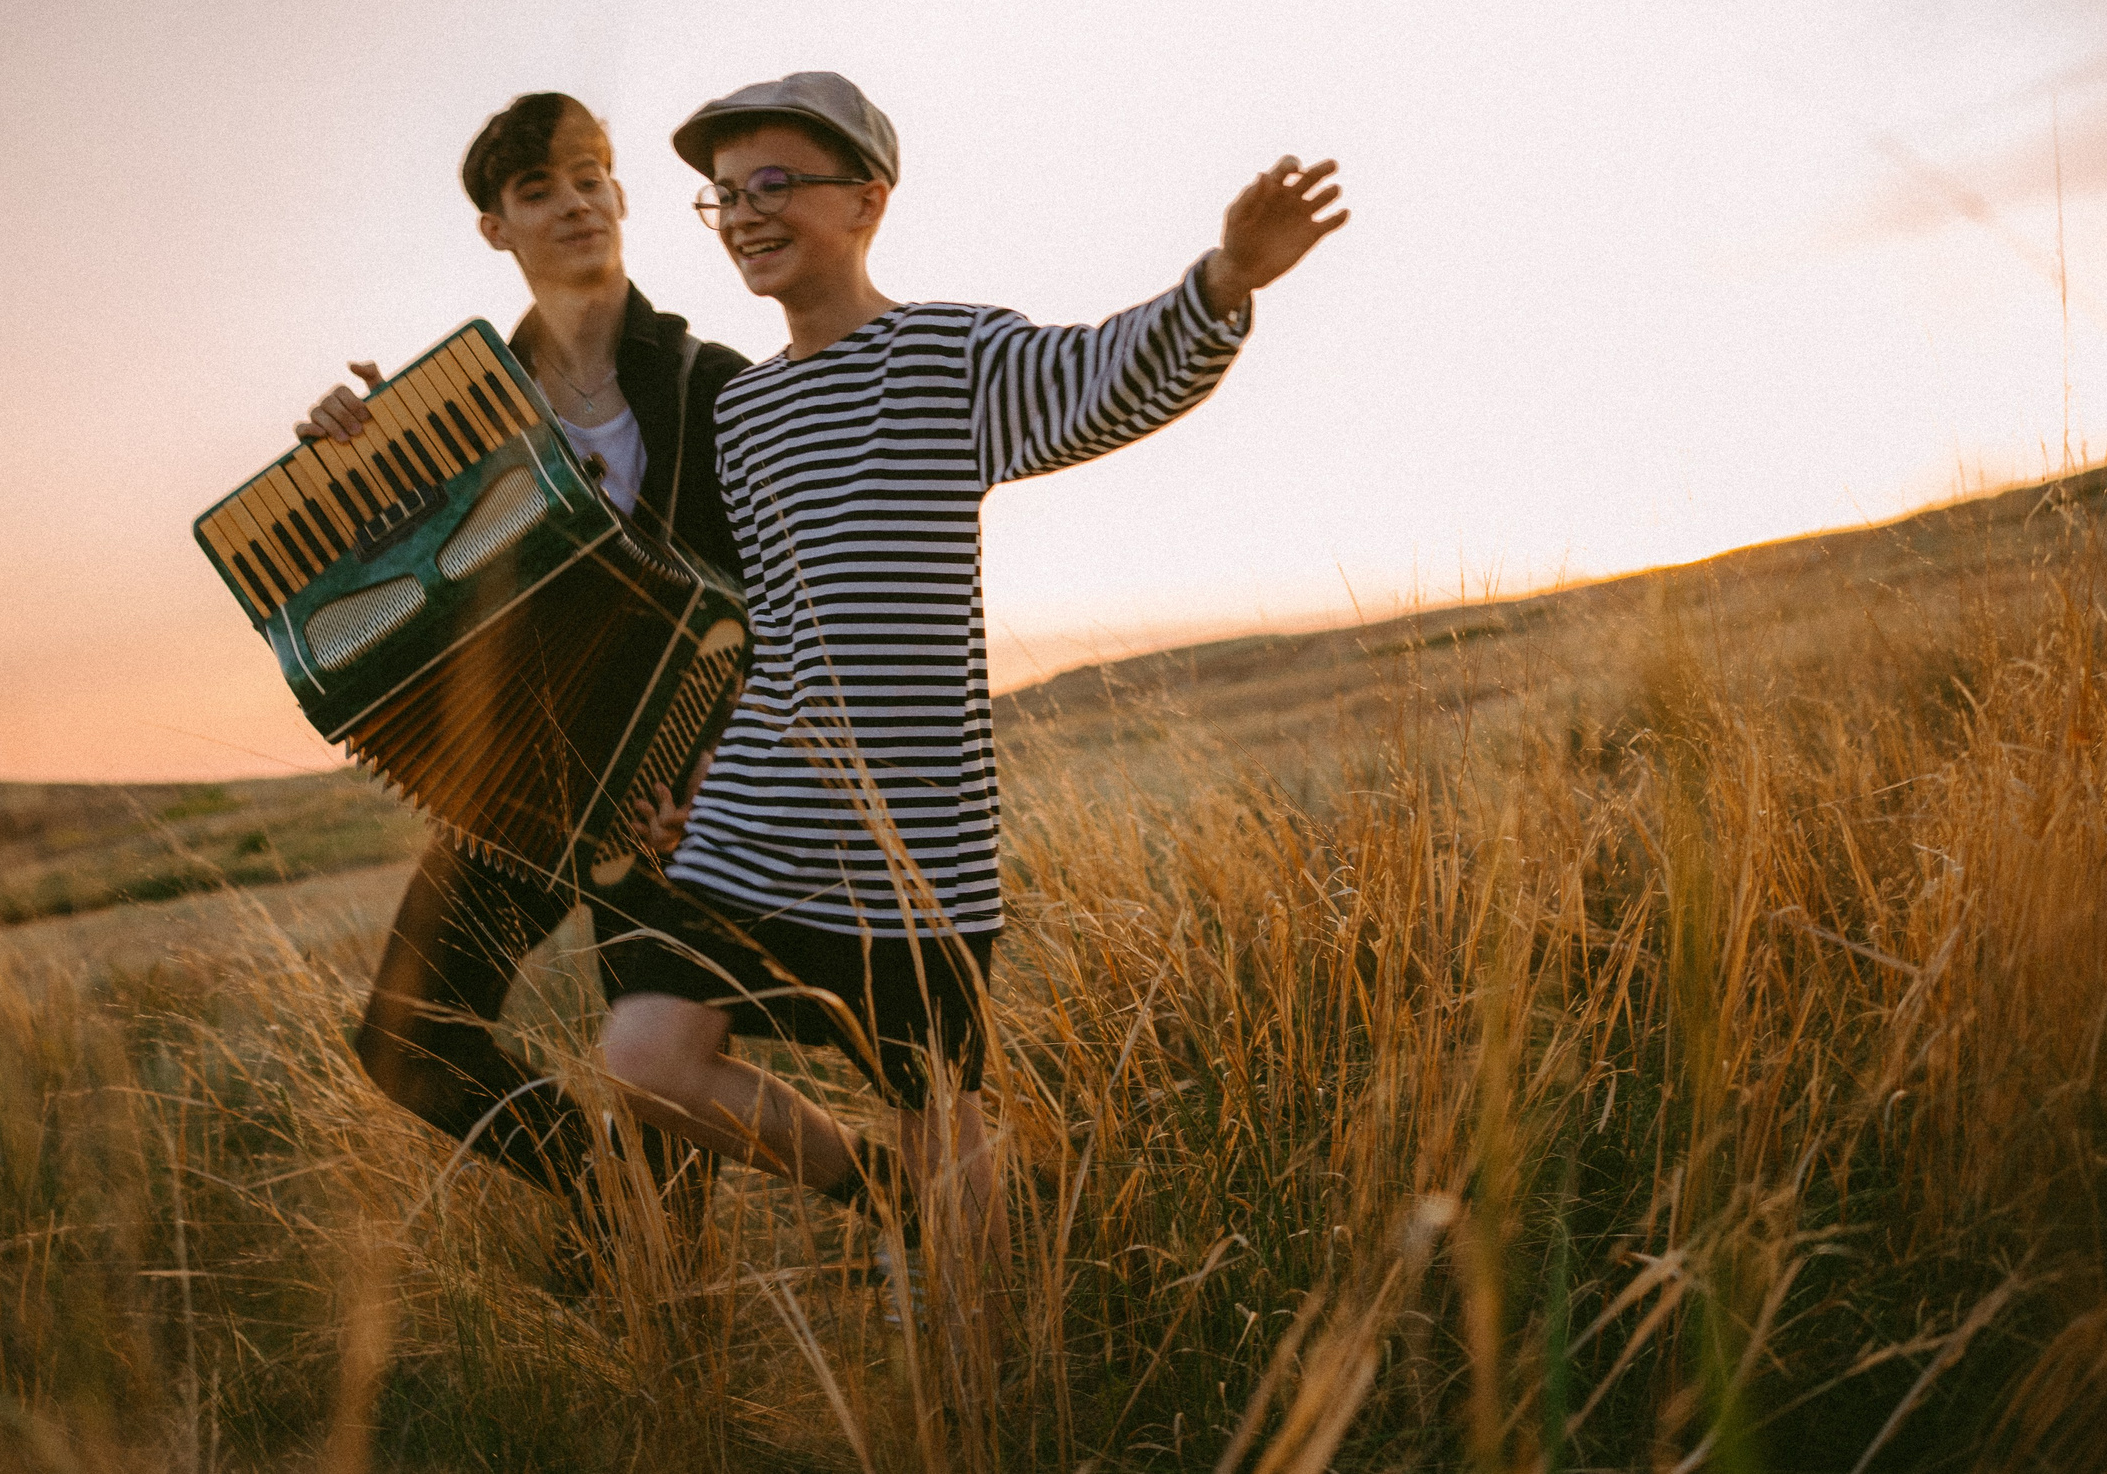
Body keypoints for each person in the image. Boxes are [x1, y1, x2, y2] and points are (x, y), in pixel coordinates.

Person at [587, 72, 1346, 1308]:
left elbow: (1100, 377)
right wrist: (708, 787)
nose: (741, 214)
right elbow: (769, 623)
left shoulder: (941, 354)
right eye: (721, 195)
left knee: (937, 1104)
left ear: (867, 198)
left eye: (774, 184)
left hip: (913, 831)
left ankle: (981, 1401)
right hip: (761, 813)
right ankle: (876, 1204)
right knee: (645, 1056)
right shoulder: (746, 412)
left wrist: (1225, 279)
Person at [296, 92, 747, 1211]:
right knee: (407, 1037)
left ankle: (667, 1295)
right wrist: (341, 460)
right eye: (538, 189)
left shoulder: (715, 386)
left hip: (673, 794)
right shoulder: (451, 417)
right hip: (522, 791)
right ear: (497, 227)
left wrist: (716, 781)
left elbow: (774, 610)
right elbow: (380, 591)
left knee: (662, 1095)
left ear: (623, 193)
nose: (574, 203)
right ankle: (605, 1206)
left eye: (589, 176)